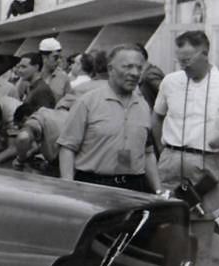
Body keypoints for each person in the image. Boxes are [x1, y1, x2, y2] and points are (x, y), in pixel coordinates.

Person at [153, 30, 219, 266]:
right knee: (169, 241)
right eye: (180, 60)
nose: (184, 65)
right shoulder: (170, 82)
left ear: (206, 52)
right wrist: (163, 154)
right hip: (171, 160)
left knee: (203, 246)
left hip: (207, 165)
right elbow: (156, 119)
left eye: (189, 59)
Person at [57, 44, 161, 194]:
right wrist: (68, 187)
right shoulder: (87, 102)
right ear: (111, 69)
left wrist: (159, 190)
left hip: (133, 188)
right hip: (93, 187)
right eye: (127, 67)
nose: (135, 73)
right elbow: (67, 147)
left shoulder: (143, 106)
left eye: (139, 68)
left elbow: (148, 153)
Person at [38, 37, 71, 102]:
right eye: (55, 57)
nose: (59, 61)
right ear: (44, 57)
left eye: (60, 57)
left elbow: (70, 99)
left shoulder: (63, 76)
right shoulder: (31, 73)